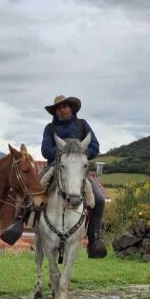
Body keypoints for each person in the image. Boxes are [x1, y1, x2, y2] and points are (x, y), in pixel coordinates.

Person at [40, 95, 107, 259]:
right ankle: (19, 223)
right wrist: (64, 154)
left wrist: (80, 155)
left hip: (78, 170)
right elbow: (45, 149)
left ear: (71, 108)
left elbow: (95, 146)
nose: (61, 110)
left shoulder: (82, 125)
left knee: (98, 200)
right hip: (55, 168)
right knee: (34, 190)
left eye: (64, 106)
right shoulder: (50, 128)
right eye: (58, 108)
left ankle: (94, 239)